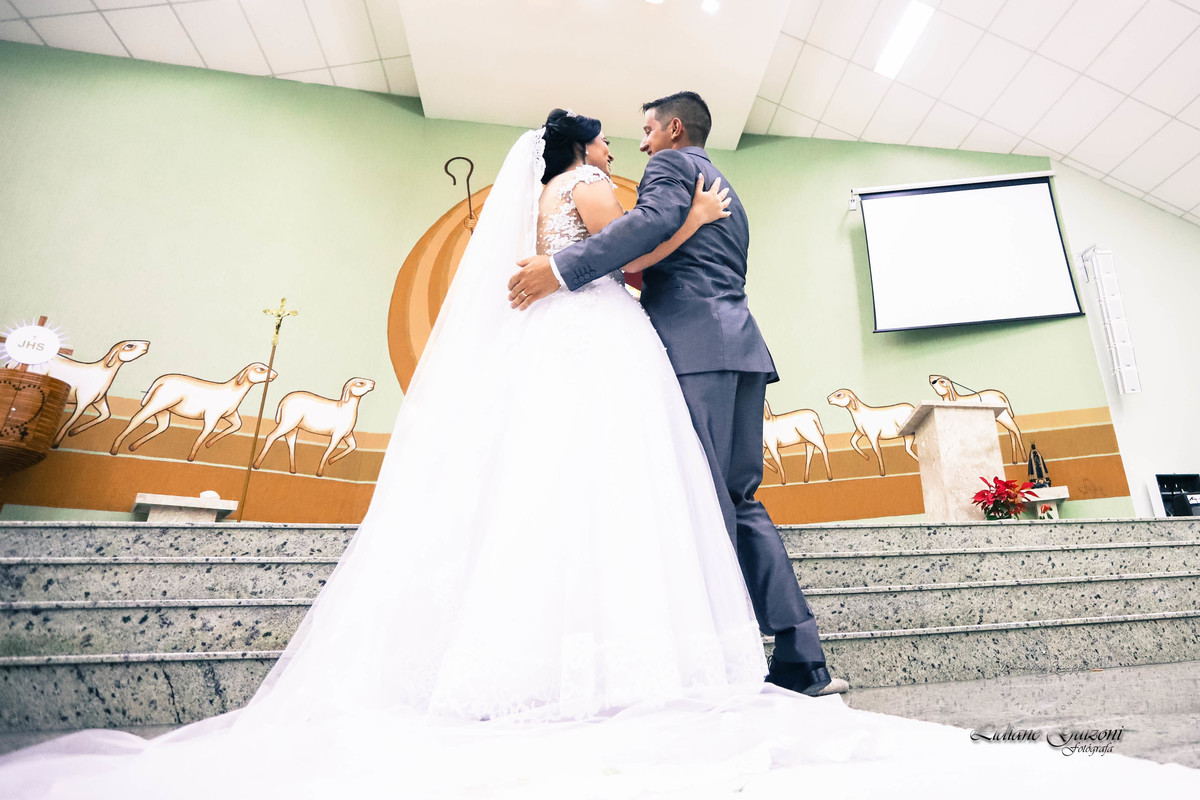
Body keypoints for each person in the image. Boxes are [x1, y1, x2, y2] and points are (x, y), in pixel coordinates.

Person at [3, 110, 1197, 800]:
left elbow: (603, 251)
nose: (626, 148)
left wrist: (656, 234)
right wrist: (689, 222)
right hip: (605, 338)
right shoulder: (588, 188)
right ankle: (672, 659)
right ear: (582, 151)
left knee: (571, 492)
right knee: (630, 493)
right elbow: (627, 251)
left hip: (584, 341)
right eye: (612, 141)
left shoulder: (547, 203)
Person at [508, 92, 829, 695]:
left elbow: (643, 227)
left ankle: (726, 656)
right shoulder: (722, 185)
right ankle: (799, 655)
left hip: (694, 350)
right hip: (738, 347)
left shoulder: (672, 166)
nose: (641, 144)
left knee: (705, 504)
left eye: (648, 130)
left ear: (674, 129)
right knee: (736, 501)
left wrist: (559, 269)